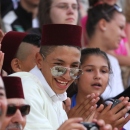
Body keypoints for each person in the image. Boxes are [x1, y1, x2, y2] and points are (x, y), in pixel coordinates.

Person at [9, 24, 102, 130]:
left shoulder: (55, 95)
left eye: (74, 67)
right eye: (58, 67)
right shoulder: (26, 88)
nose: (67, 76)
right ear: (39, 61)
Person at [67, 48, 130, 129]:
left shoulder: (111, 115)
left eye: (103, 71)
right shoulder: (63, 107)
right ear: (76, 75)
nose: (98, 76)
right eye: (89, 70)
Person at [86, 3, 125, 100]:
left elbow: (118, 101)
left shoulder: (113, 61)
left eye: (103, 71)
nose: (124, 35)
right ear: (103, 24)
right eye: (120, 27)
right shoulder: (76, 57)